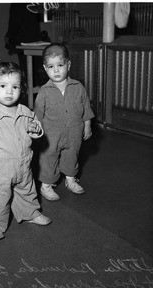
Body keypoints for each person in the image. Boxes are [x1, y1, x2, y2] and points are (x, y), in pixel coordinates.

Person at [0, 59, 51, 241]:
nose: (9, 91)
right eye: (3, 85)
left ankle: (30, 213)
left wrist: (35, 130)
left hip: (24, 165)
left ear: (21, 90)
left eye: (15, 87)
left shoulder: (25, 111)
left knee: (27, 191)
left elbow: (36, 128)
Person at [34, 43, 95, 201]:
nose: (56, 70)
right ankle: (46, 185)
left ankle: (70, 179)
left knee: (72, 156)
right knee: (49, 158)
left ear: (68, 64)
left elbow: (86, 107)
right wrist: (35, 131)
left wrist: (87, 125)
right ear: (45, 68)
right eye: (51, 66)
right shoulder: (44, 92)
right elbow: (38, 114)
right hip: (51, 135)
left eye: (60, 65)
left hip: (74, 133)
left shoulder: (78, 87)